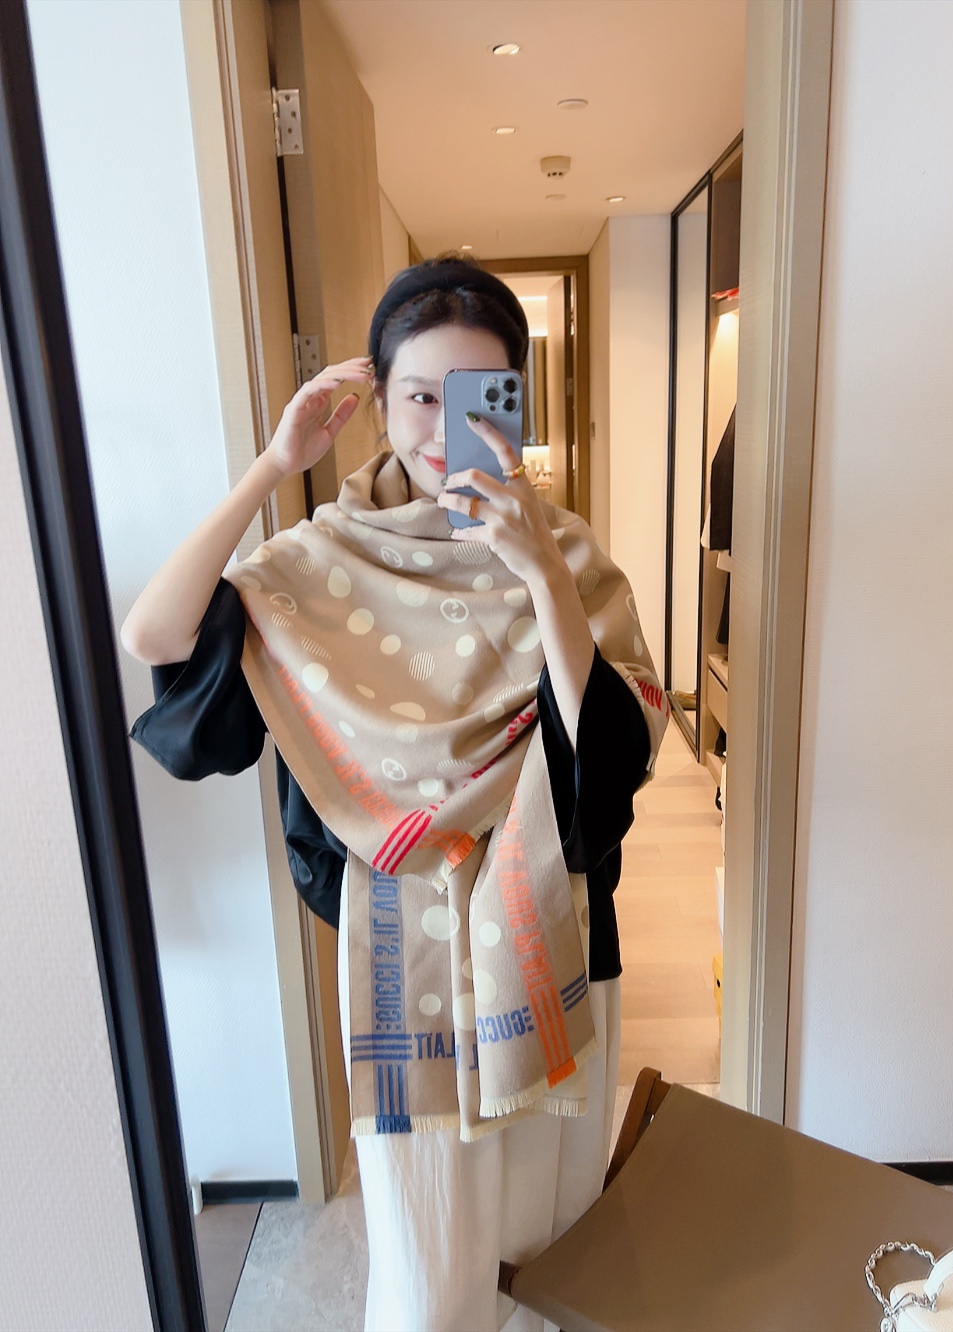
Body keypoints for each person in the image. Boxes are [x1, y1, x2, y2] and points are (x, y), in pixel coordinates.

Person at [123, 257, 670, 1331]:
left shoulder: (565, 551)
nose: (443, 433)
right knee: (428, 1273)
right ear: (377, 401)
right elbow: (157, 637)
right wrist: (273, 464)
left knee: (557, 1248)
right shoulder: (320, 564)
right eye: (419, 396)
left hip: (552, 939)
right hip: (398, 962)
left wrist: (541, 575)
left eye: (478, 399)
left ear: (515, 401)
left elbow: (609, 761)